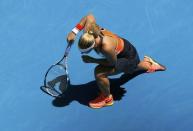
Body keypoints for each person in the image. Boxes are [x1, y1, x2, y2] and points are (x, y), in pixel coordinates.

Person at [67, 14, 166, 109]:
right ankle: (149, 64)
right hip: (124, 49)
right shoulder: (89, 33)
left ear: (93, 46)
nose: (83, 53)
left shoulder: (106, 47)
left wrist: (93, 60)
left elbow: (112, 63)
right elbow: (89, 16)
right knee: (132, 67)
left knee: (99, 73)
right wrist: (74, 32)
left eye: (86, 51)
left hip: (128, 57)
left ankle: (107, 98)